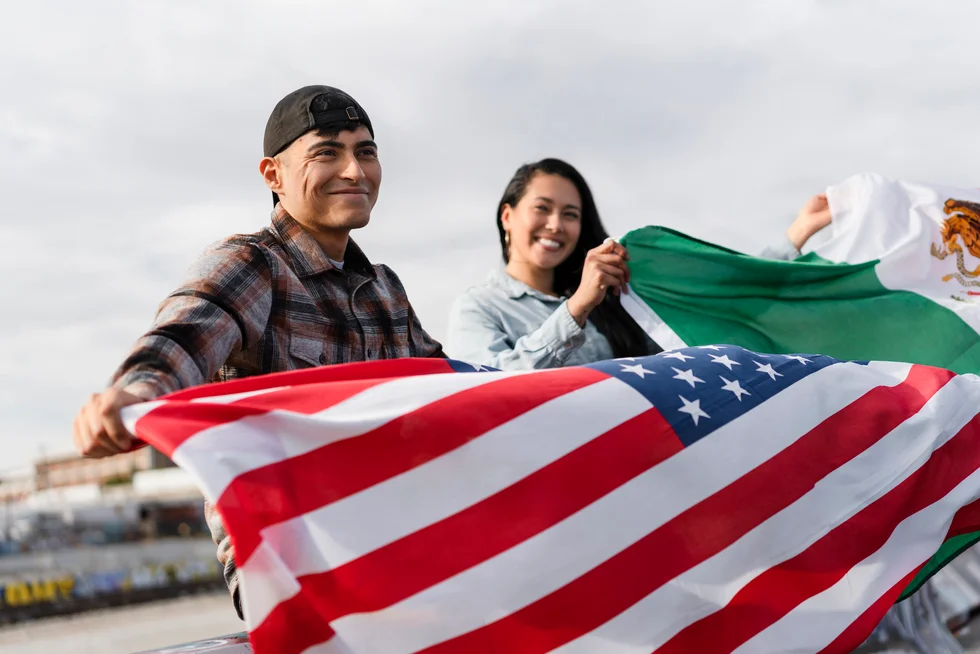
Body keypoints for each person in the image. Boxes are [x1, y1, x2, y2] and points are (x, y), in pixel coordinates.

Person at [71, 85, 444, 618]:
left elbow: (457, 388)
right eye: (327, 153)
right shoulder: (255, 265)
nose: (355, 171)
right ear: (273, 175)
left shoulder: (386, 290)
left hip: (398, 553)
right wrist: (134, 394)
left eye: (366, 152)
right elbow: (186, 332)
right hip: (293, 571)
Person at [446, 158, 832, 370]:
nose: (555, 226)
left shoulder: (611, 296)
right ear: (508, 217)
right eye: (542, 209)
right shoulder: (477, 308)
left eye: (570, 215)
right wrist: (577, 307)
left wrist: (797, 234)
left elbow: (709, 306)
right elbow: (490, 386)